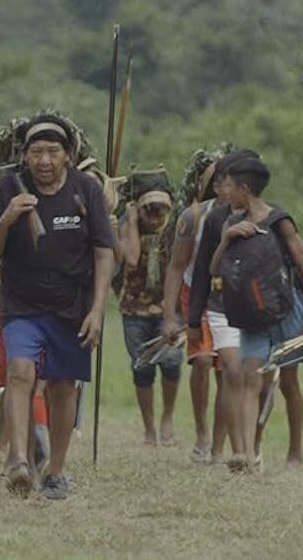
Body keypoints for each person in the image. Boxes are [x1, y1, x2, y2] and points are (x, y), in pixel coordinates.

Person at [0, 115, 115, 500]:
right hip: (22, 304)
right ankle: (19, 460)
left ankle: (56, 469)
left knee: (63, 386)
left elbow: (104, 253)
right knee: (19, 372)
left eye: (53, 152)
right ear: (24, 156)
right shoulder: (7, 190)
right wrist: (6, 220)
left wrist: (98, 309)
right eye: (36, 152)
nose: (45, 160)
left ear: (67, 156)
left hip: (72, 305)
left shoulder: (85, 191)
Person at [210, 156, 303, 471]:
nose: (225, 192)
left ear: (245, 188)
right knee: (249, 377)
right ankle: (245, 453)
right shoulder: (231, 223)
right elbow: (214, 269)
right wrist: (227, 239)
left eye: (229, 186)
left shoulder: (280, 221)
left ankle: (295, 450)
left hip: (286, 310)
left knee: (288, 381)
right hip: (251, 315)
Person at [188, 149, 265, 466]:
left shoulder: (273, 218)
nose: (225, 189)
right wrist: (193, 317)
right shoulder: (215, 219)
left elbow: (289, 265)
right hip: (221, 307)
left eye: (230, 182)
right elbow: (206, 269)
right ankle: (236, 452)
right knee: (232, 373)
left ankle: (250, 448)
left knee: (254, 379)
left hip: (260, 311)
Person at [162, 152, 227, 462]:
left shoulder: (250, 215)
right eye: (217, 180)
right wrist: (170, 316)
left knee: (227, 370)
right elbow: (176, 266)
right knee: (201, 362)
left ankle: (220, 443)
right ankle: (202, 432)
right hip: (196, 294)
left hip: (231, 298)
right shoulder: (193, 217)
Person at [117, 189, 180, 446]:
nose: (155, 215)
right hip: (134, 309)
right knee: (141, 367)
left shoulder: (174, 231)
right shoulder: (127, 227)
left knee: (171, 363)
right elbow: (130, 259)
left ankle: (167, 419)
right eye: (149, 209)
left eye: (160, 209)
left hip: (167, 308)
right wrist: (131, 222)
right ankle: (149, 427)